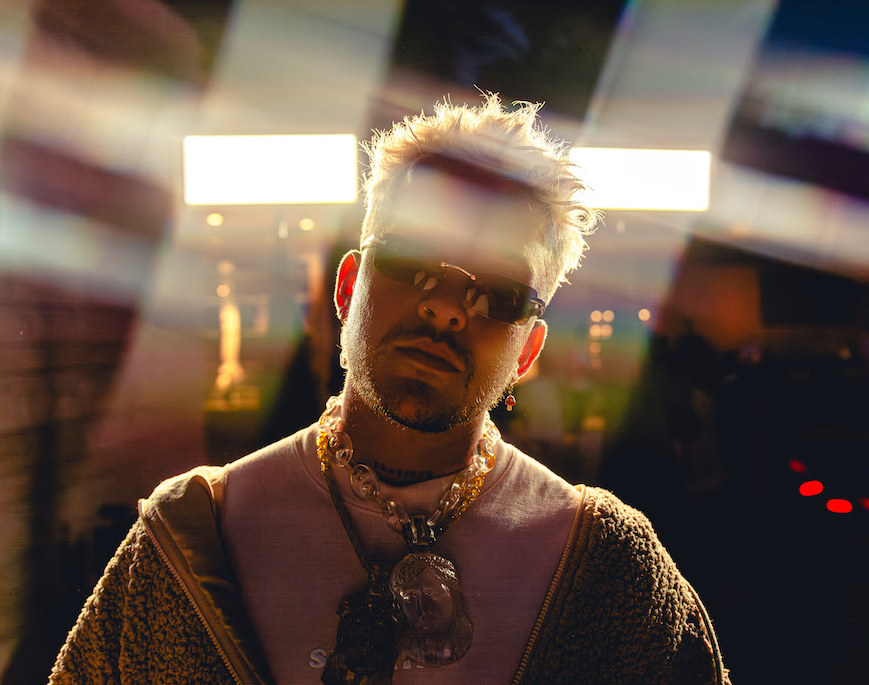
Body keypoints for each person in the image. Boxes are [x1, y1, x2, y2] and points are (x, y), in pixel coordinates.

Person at [49, 94, 730, 684]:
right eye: (411, 258)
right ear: (350, 287)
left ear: (527, 353)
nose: (447, 307)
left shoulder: (606, 567)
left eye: (498, 294)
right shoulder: (190, 539)